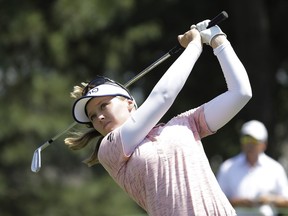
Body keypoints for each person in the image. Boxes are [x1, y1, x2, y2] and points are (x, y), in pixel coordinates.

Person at [65, 19, 252, 216]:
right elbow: (163, 96)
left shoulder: (185, 123)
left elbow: (240, 93)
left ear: (129, 103)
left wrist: (217, 39)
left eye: (104, 105)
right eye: (92, 116)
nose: (99, 117)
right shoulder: (109, 149)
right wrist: (195, 44)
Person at [217, 120, 288, 216]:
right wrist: (237, 202)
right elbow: (216, 200)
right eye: (246, 139)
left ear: (264, 144)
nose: (249, 145)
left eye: (254, 141)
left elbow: (286, 201)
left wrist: (270, 200)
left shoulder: (275, 168)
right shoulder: (227, 167)